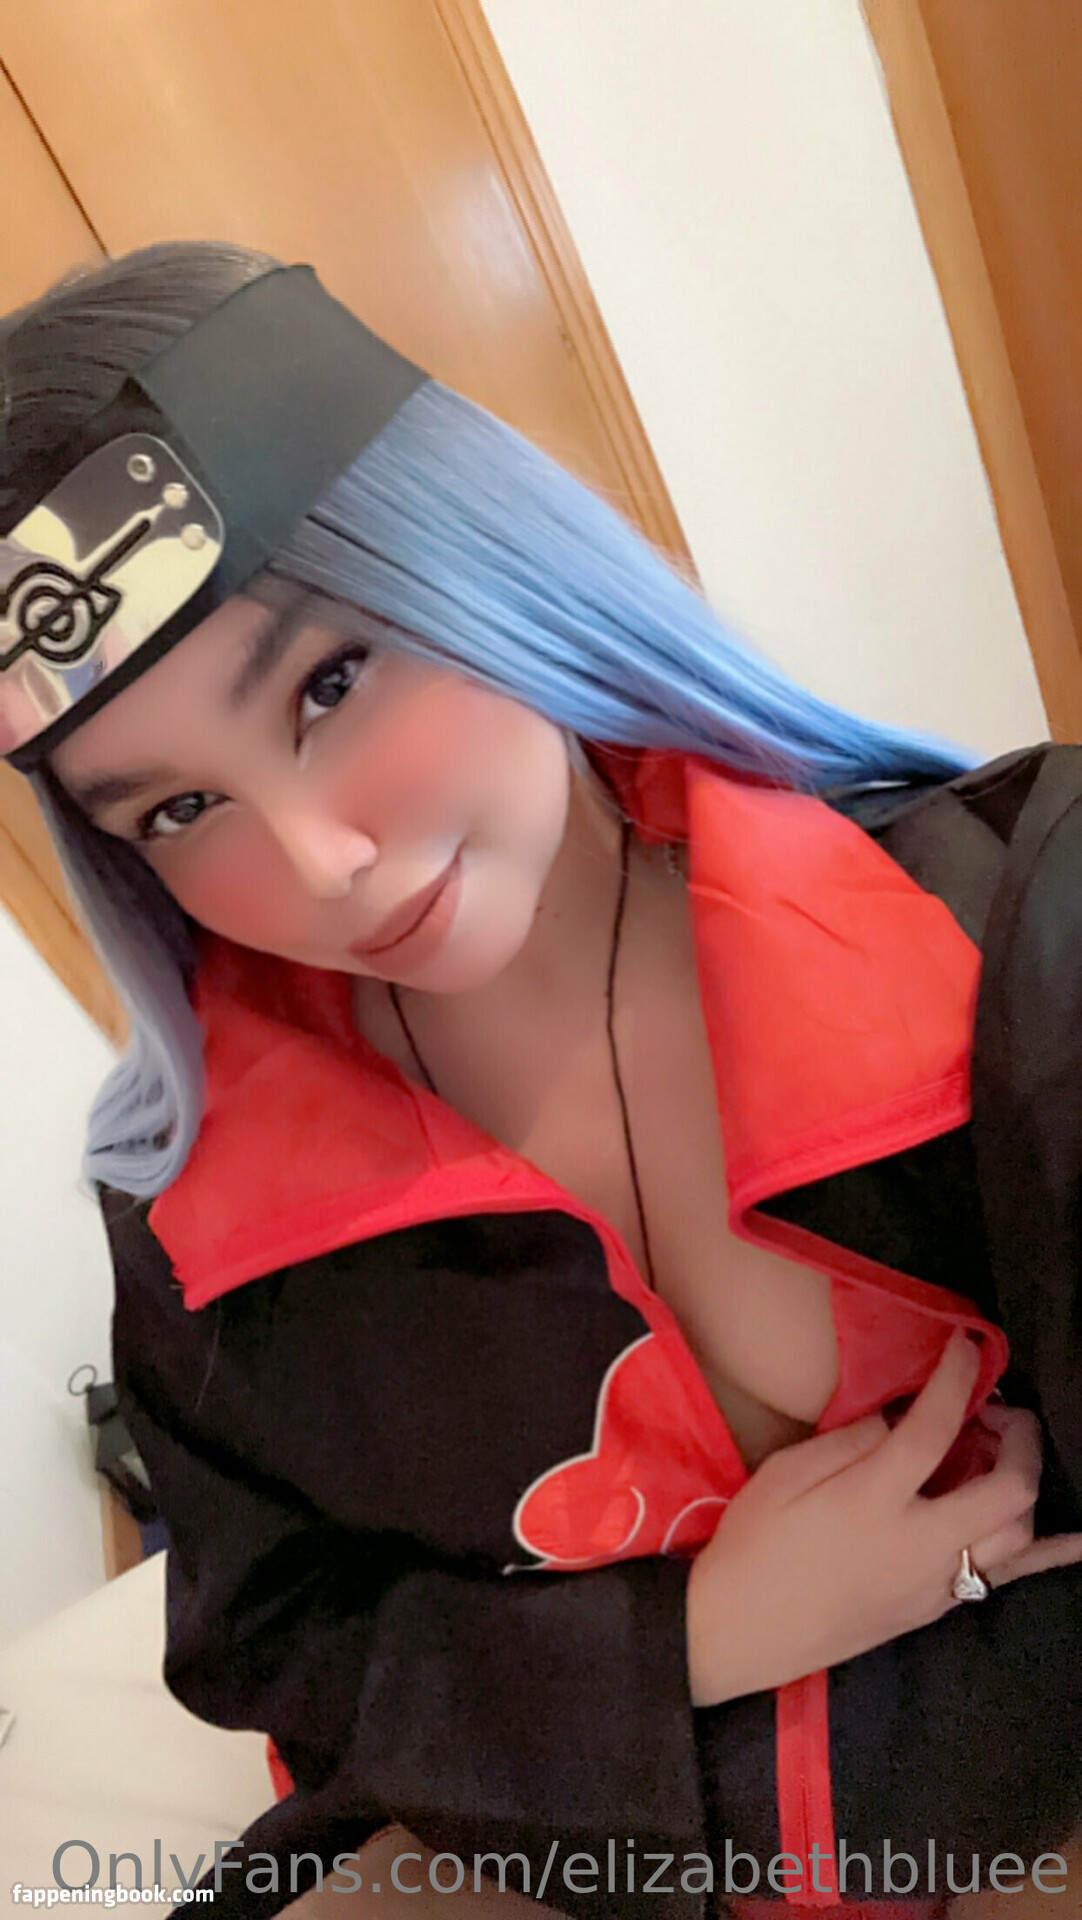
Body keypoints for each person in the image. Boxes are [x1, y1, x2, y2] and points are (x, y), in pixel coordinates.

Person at [1, 242, 1080, 1920]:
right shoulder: (200, 1222)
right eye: (178, 810)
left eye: (331, 682)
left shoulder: (1012, 930)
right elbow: (277, 1650)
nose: (321, 860)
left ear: (468, 559)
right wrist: (694, 1636)